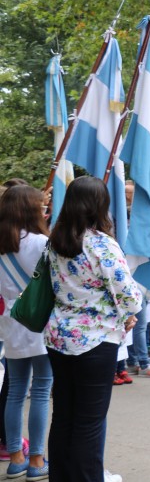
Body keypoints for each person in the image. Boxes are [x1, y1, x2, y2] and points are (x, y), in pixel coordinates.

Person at [45, 176, 142, 481]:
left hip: (59, 336)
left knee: (63, 415)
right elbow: (127, 292)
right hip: (96, 340)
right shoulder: (101, 243)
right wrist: (131, 312)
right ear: (100, 204)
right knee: (89, 421)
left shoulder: (55, 240)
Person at [0, 185, 52, 480]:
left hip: (10, 322)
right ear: (30, 209)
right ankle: (37, 461)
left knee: (15, 392)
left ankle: (16, 458)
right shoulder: (40, 242)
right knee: (42, 391)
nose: (45, 210)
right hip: (40, 323)